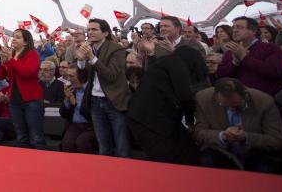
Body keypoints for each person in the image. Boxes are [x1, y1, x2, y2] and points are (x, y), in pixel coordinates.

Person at [127, 46, 207, 165]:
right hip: (152, 123)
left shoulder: (161, 65)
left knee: (179, 154)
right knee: (175, 158)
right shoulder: (176, 62)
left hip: (146, 120)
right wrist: (190, 121)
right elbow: (184, 94)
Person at [194, 78, 282, 172]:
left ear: (245, 95)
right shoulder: (203, 98)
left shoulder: (265, 102)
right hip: (222, 151)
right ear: (216, 96)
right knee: (207, 160)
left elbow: (277, 141)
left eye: (236, 105)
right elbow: (199, 133)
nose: (231, 109)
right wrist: (223, 136)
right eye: (226, 106)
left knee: (265, 169)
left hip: (256, 153)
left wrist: (246, 137)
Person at [77, 18, 131, 158]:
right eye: (88, 30)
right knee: (103, 144)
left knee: (121, 144)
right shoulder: (90, 48)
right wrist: (81, 61)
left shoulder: (116, 49)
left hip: (114, 101)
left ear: (105, 32)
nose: (90, 32)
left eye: (94, 29)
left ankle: (126, 175)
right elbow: (82, 79)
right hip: (95, 101)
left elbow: (111, 75)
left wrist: (92, 58)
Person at [0, 29, 45, 149]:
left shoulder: (32, 54)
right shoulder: (12, 55)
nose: (14, 39)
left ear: (26, 41)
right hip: (15, 100)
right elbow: (0, 76)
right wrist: (3, 63)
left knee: (35, 136)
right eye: (13, 36)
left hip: (31, 100)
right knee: (21, 136)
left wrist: (11, 60)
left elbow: (27, 72)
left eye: (17, 37)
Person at [217, 16, 282, 97]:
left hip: (264, 100)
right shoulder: (231, 52)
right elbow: (221, 75)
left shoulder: (270, 48)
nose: (234, 30)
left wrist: (244, 57)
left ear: (253, 31)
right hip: (238, 101)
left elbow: (274, 71)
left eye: (239, 27)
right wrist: (234, 63)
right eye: (234, 27)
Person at [59, 65, 97, 154]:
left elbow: (92, 114)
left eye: (71, 76)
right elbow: (63, 113)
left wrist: (75, 104)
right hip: (75, 125)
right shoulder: (72, 89)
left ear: (82, 76)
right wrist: (67, 100)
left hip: (91, 126)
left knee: (82, 142)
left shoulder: (92, 90)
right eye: (68, 76)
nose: (69, 79)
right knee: (67, 144)